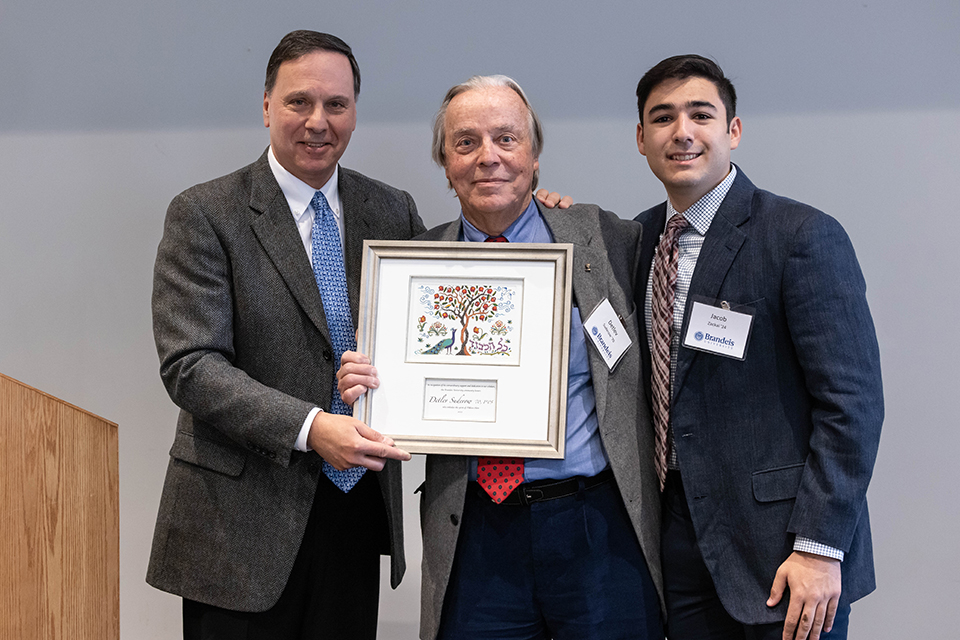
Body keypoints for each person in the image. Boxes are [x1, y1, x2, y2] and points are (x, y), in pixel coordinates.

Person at [339, 75, 663, 640]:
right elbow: (398, 391)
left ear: (535, 157)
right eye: (466, 143)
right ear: (446, 163)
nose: (488, 157)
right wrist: (368, 388)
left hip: (596, 528)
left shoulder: (608, 239)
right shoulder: (412, 268)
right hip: (474, 530)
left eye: (506, 139)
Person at [146, 30, 425, 640]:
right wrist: (310, 427)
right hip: (240, 524)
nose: (318, 121)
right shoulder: (205, 212)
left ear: (355, 111)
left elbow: (444, 294)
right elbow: (191, 365)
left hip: (354, 512)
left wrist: (532, 217)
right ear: (267, 105)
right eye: (300, 102)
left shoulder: (392, 210)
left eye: (337, 104)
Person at [633, 55, 883, 639]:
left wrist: (821, 547)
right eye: (663, 118)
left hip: (785, 551)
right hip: (678, 543)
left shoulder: (800, 235)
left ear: (733, 130)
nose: (683, 132)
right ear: (641, 138)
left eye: (701, 114)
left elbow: (853, 404)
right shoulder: (637, 239)